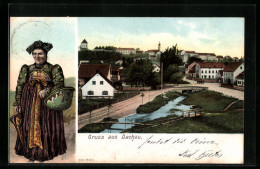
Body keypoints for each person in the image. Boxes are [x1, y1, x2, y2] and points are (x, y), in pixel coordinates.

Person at [13, 40, 67, 161]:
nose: (37, 56)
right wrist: (17, 103)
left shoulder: (54, 68)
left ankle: (44, 152)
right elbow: (20, 86)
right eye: (34, 54)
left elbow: (60, 85)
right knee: (29, 124)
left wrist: (47, 90)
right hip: (29, 103)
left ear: (46, 54)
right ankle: (30, 151)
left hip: (47, 104)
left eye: (40, 53)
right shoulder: (27, 69)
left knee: (45, 126)